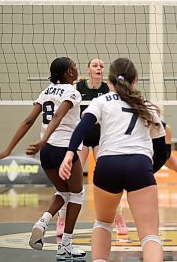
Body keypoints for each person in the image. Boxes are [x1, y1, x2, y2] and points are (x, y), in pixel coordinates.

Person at [59, 57, 166, 262]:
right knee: (150, 234)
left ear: (110, 82)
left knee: (103, 223)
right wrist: (147, 173)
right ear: (135, 80)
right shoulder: (147, 107)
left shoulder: (100, 101)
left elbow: (83, 126)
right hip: (139, 163)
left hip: (108, 164)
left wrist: (70, 152)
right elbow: (162, 152)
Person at [0, 57, 86, 260]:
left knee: (63, 191)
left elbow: (27, 120)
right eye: (75, 67)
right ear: (69, 72)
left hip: (47, 152)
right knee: (77, 194)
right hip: (63, 149)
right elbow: (58, 116)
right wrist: (44, 139)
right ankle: (65, 245)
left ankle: (42, 222)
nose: (77, 70)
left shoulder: (46, 91)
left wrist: (8, 150)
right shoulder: (72, 92)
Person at [56, 58, 129, 236]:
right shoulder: (77, 88)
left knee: (110, 177)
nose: (98, 68)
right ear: (88, 70)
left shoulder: (107, 89)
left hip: (100, 138)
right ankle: (62, 218)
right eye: (95, 66)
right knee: (71, 178)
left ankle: (118, 218)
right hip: (81, 137)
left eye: (101, 66)